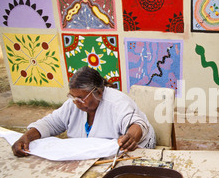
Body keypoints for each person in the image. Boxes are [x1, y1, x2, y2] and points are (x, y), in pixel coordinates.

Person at [12, 66, 156, 157]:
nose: (76, 102)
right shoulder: (74, 104)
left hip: (134, 149)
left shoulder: (116, 102)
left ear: (98, 93)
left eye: (80, 98)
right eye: (73, 97)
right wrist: (27, 137)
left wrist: (130, 136)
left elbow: (137, 124)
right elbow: (51, 123)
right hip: (91, 156)